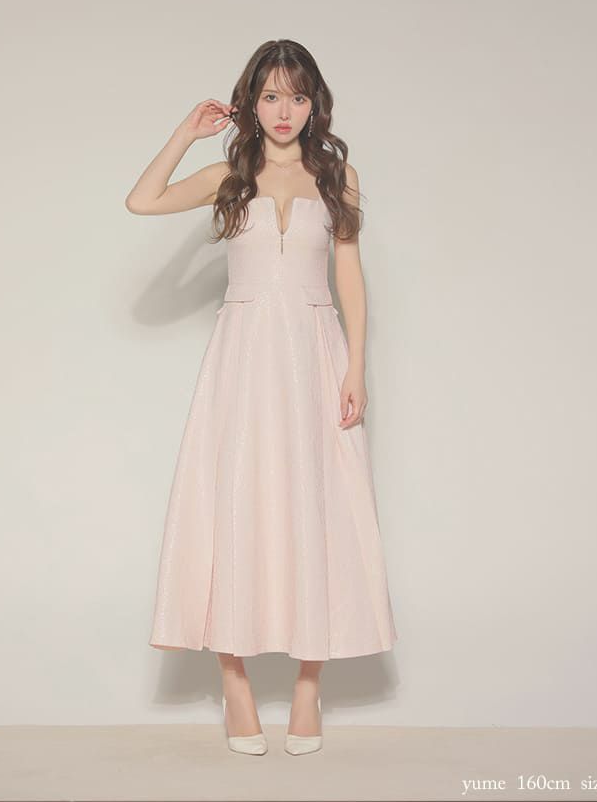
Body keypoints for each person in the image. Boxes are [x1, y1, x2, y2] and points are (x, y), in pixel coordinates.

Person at [126, 39, 398, 755]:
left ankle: (309, 686)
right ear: (250, 102)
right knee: (232, 504)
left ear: (315, 105)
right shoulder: (229, 175)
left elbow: (349, 276)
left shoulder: (337, 177)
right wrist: (186, 133)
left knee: (319, 507)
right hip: (242, 358)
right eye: (271, 95)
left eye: (298, 97)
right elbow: (141, 200)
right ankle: (234, 681)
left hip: (314, 354)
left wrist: (357, 367)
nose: (284, 111)